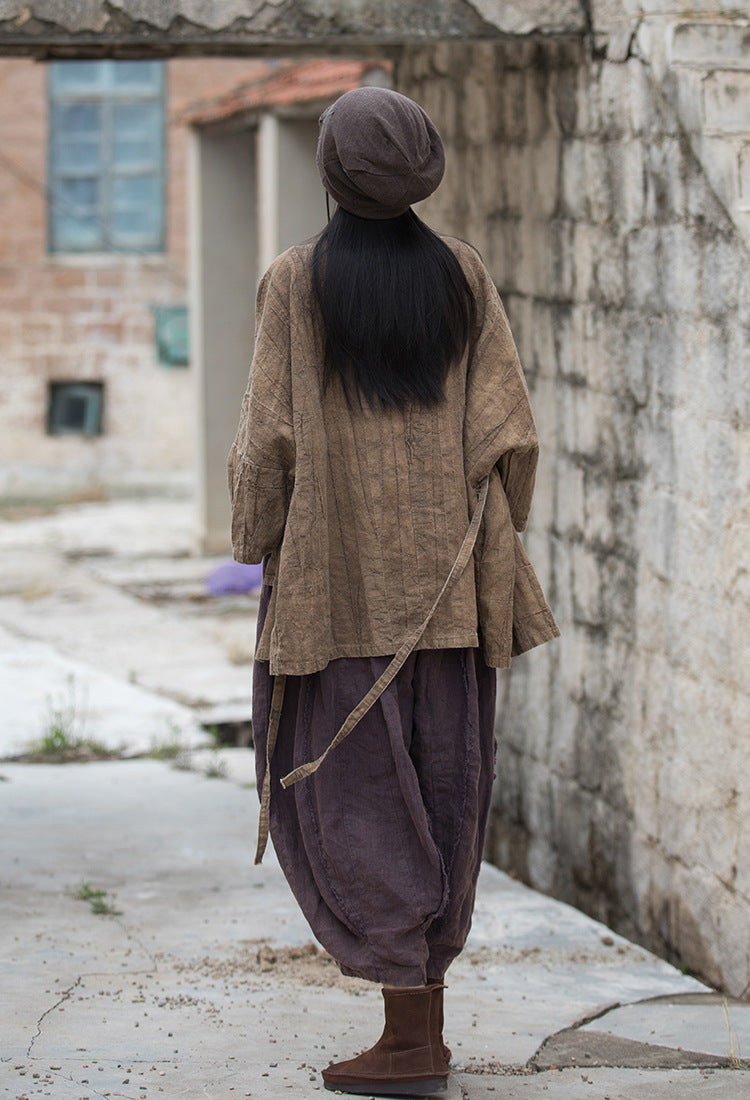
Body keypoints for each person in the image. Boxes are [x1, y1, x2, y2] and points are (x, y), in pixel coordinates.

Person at [228, 86, 559, 1098]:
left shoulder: (296, 280)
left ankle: (412, 1040)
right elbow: (512, 435)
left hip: (338, 602)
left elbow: (268, 441)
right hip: (450, 600)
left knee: (362, 803)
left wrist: (253, 536)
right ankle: (423, 1029)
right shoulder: (462, 274)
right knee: (445, 796)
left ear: (329, 174)